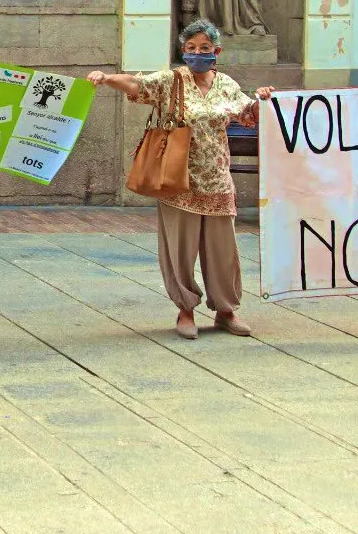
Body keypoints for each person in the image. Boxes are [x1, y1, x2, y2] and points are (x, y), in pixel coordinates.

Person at [89, 19, 272, 340]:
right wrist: (106, 78)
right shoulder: (171, 80)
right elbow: (136, 85)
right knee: (179, 250)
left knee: (223, 251)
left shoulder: (226, 84)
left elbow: (249, 114)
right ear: (183, 50)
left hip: (217, 180)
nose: (197, 53)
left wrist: (264, 99)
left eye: (204, 48)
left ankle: (226, 310)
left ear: (217, 52)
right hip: (177, 180)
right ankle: (185, 309)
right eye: (191, 48)